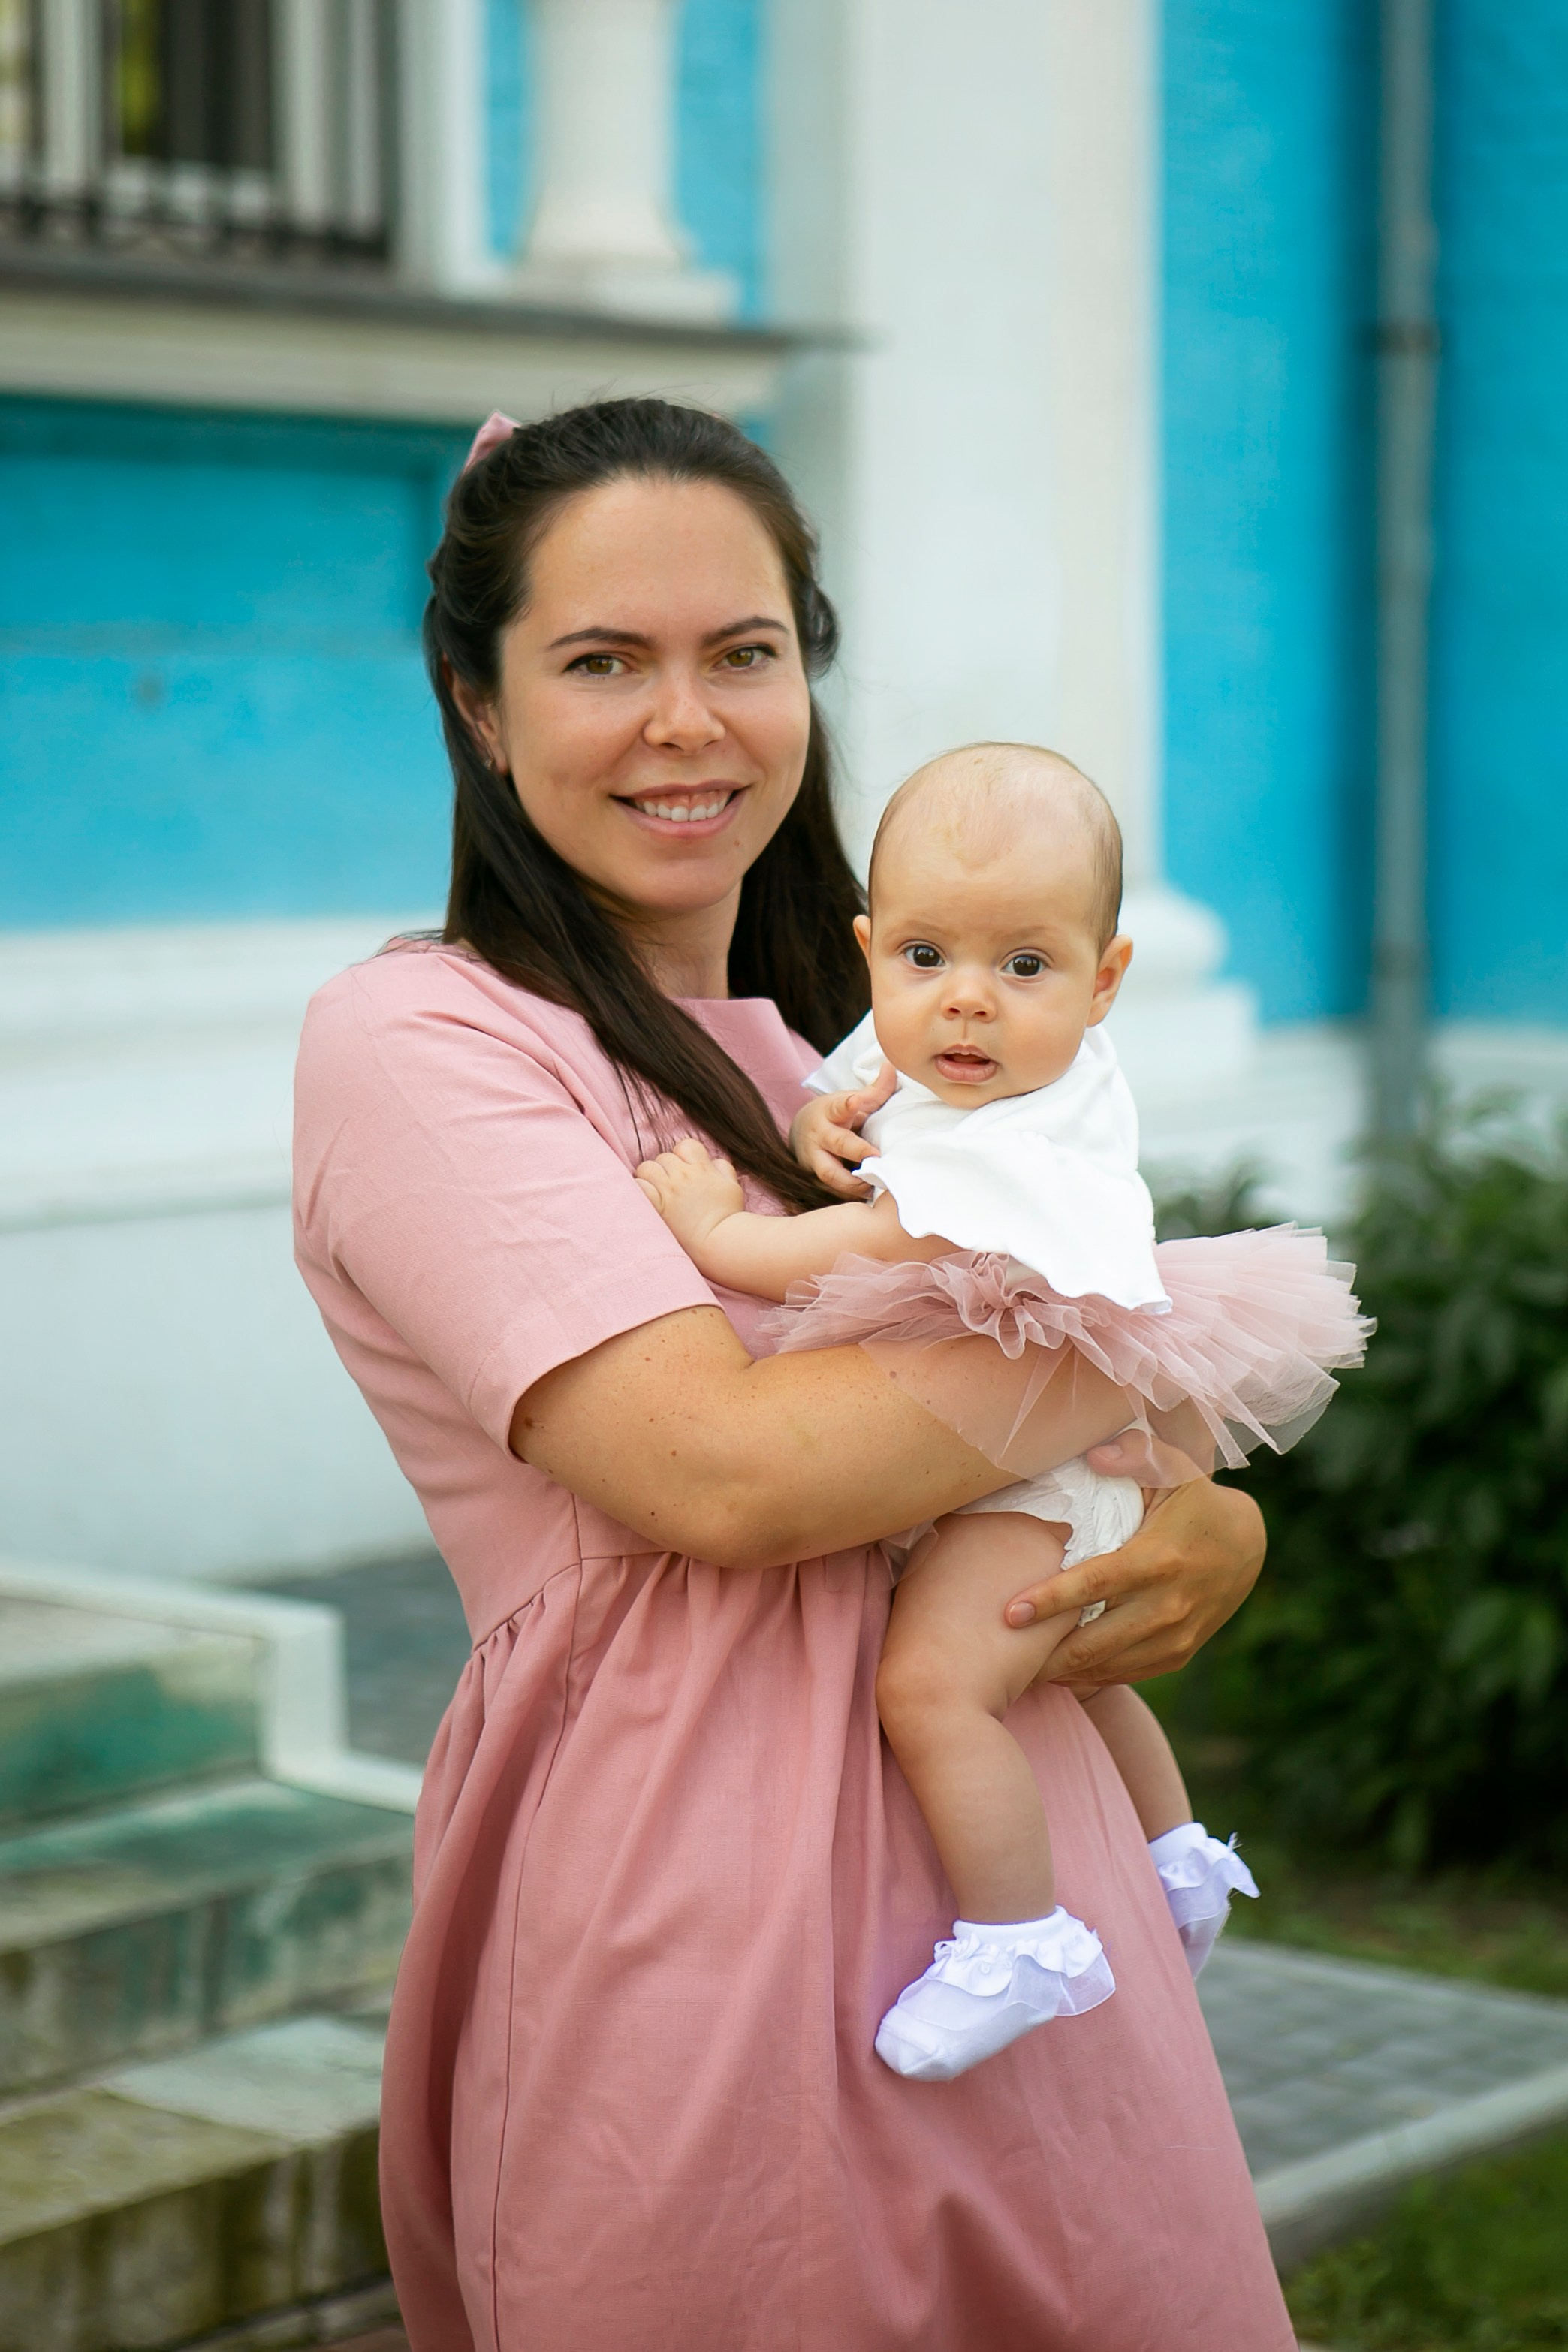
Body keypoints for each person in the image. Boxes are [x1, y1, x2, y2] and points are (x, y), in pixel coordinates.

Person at [293, 397, 1298, 2350]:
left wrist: (1210, 1515)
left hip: (1024, 1862)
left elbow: (1053, 1420)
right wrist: (1136, 1339)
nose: (689, 720)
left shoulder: (898, 1038)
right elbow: (728, 1472)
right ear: (478, 703)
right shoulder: (426, 1039)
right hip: (698, 1887)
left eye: (743, 653)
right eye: (602, 660)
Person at [636, 740, 1368, 2085]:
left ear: (1105, 980)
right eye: (926, 959)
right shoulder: (994, 1064)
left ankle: (1018, 1938)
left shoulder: (1009, 1144)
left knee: (935, 1683)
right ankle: (1177, 1856)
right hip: (1040, 1440)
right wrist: (818, 1126)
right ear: (872, 950)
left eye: (1022, 968)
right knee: (1070, 1674)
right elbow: (854, 1094)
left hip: (1040, 1468)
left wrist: (710, 1226)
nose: (965, 1005)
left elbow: (831, 1253)